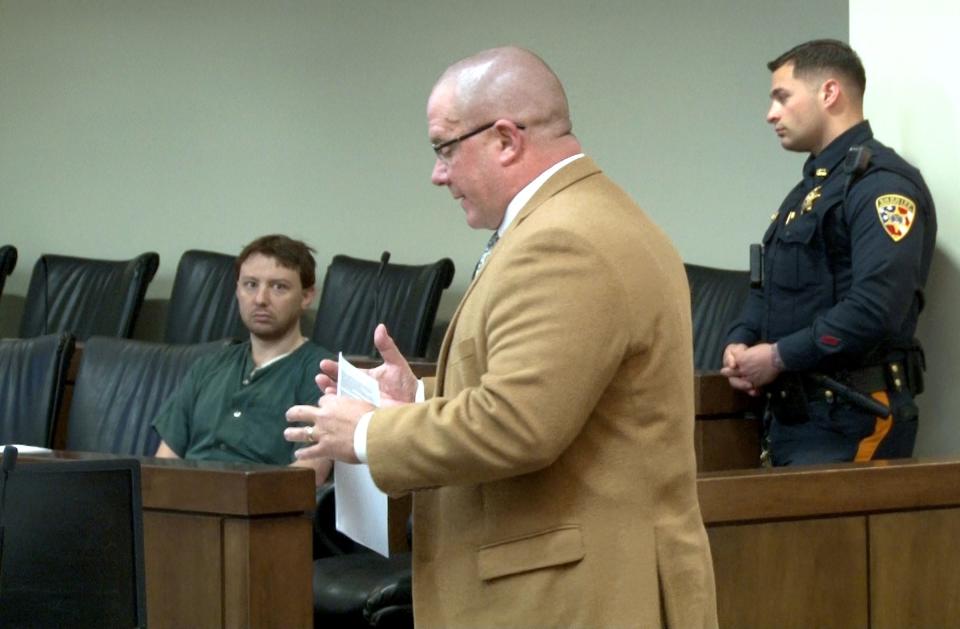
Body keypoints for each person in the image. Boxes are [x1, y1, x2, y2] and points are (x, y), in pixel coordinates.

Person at [286, 47, 717, 627]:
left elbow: (518, 425)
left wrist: (366, 433)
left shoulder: (563, 241)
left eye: (444, 148)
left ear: (506, 139)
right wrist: (416, 401)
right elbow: (547, 394)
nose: (438, 173)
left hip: (575, 597)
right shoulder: (580, 217)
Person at [721, 39, 937, 466]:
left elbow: (875, 308)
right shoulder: (810, 191)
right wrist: (740, 340)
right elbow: (769, 287)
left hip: (853, 414)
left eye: (782, 97)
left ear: (829, 93)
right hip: (795, 417)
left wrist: (779, 356)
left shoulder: (881, 185)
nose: (771, 114)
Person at [153, 234, 333, 484]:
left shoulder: (323, 374)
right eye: (250, 284)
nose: (260, 299)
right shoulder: (207, 367)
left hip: (260, 513)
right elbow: (164, 464)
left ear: (306, 296)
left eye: (278, 286)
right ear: (237, 290)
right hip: (185, 509)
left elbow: (308, 475)